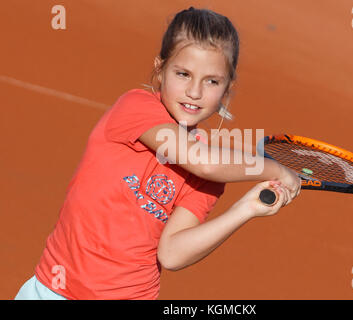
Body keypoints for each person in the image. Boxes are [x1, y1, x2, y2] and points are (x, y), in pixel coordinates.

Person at [15, 7, 300, 300]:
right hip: (53, 292)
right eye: (183, 74)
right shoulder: (136, 108)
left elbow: (173, 254)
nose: (194, 91)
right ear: (160, 69)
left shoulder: (213, 172)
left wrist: (246, 209)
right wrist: (274, 169)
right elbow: (202, 161)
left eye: (212, 81)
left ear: (227, 89)